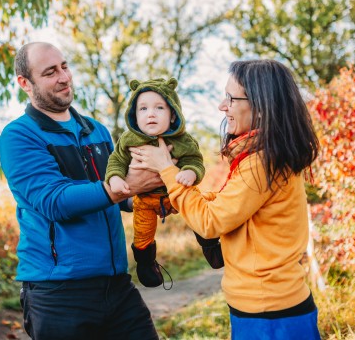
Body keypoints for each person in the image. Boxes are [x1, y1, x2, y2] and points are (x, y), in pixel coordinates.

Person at [130, 59, 322, 339]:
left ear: (261, 106)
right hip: (269, 306)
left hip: (268, 312)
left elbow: (210, 222)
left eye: (231, 98)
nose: (222, 106)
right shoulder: (263, 157)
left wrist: (167, 170)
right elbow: (229, 206)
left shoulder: (262, 162)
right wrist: (182, 198)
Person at [0, 42, 160, 340]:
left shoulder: (96, 130)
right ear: (25, 83)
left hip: (116, 285)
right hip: (59, 293)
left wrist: (151, 197)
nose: (64, 77)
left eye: (65, 66)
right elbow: (54, 201)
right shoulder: (18, 136)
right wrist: (129, 187)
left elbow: (121, 196)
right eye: (50, 72)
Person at [105, 77, 209, 288]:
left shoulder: (183, 140)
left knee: (201, 206)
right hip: (145, 199)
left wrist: (190, 172)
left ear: (173, 115)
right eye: (143, 109)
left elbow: (195, 160)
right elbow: (116, 161)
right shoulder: (128, 140)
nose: (150, 113)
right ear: (135, 115)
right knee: (142, 231)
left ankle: (210, 244)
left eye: (159, 108)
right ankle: (146, 264)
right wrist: (115, 178)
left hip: (177, 192)